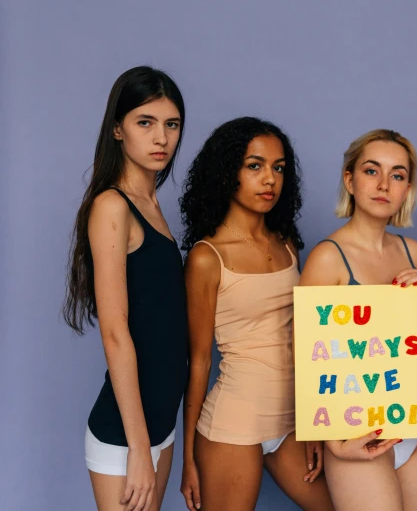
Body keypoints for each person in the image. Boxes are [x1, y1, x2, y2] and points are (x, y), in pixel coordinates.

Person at [178, 117, 333, 511]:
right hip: (234, 422)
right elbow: (198, 360)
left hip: (291, 420)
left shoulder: (287, 245)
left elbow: (306, 336)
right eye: (255, 166)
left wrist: (316, 421)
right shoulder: (206, 257)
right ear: (227, 172)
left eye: (278, 168)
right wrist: (188, 459)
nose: (270, 180)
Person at [64, 66, 188, 511]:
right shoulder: (112, 206)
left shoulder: (152, 205)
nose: (161, 138)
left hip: (162, 424)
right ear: (118, 129)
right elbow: (115, 332)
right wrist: (138, 448)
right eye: (145, 122)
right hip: (125, 435)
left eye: (171, 124)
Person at [298, 129, 417, 511]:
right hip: (355, 431)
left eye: (397, 175)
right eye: (371, 171)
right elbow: (304, 354)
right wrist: (329, 439)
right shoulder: (328, 257)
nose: (383, 184)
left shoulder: (413, 252)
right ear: (350, 179)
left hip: (413, 429)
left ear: (407, 188)